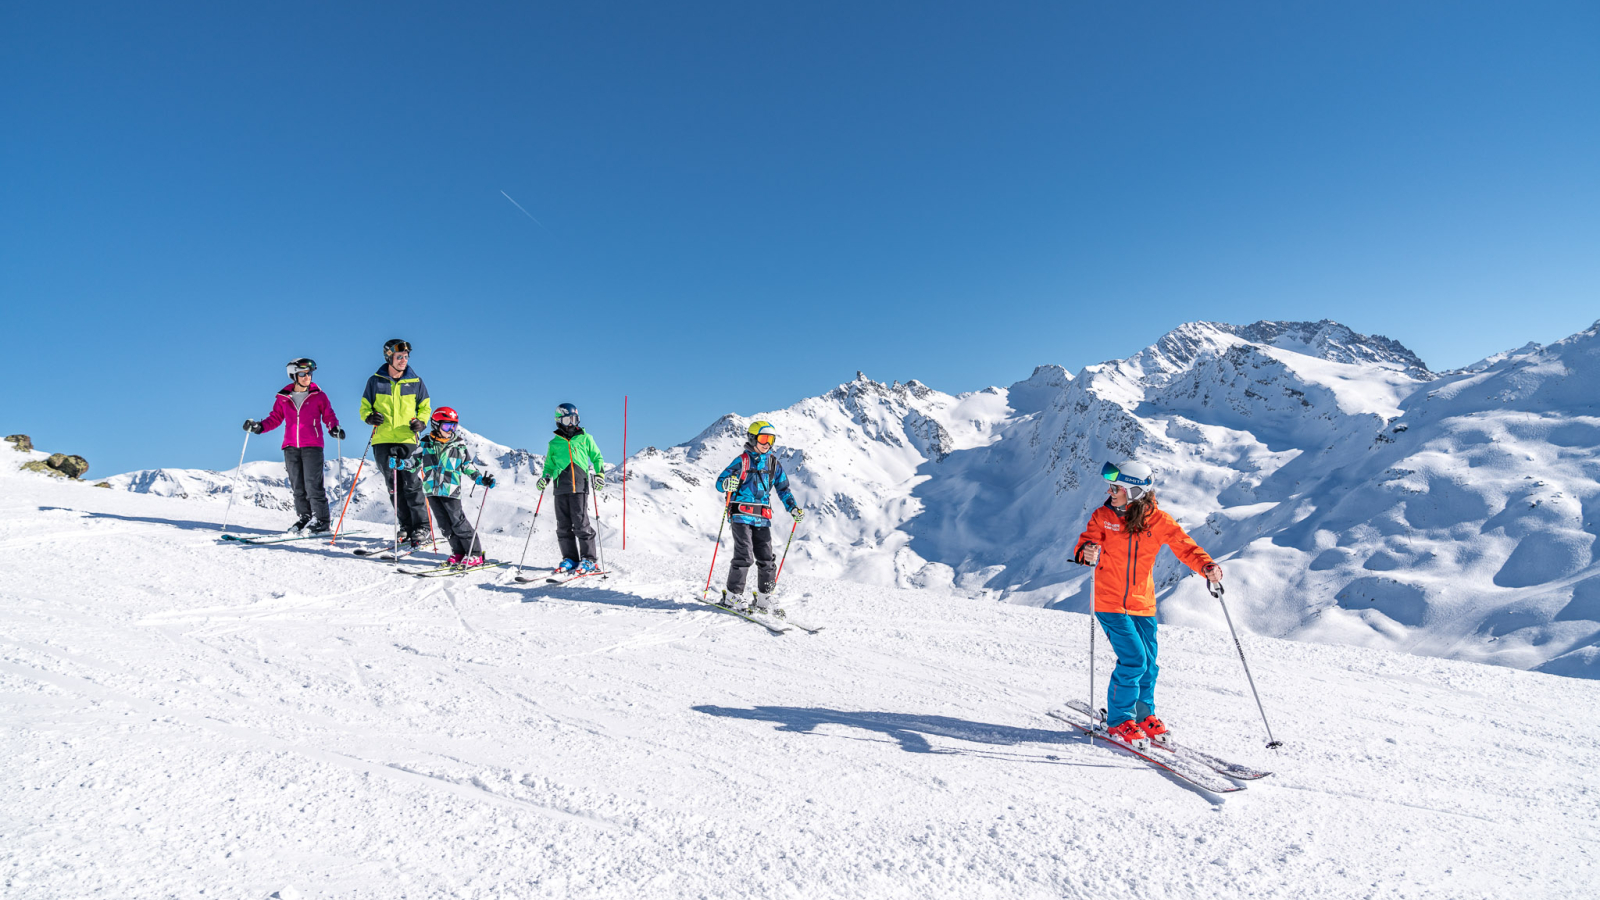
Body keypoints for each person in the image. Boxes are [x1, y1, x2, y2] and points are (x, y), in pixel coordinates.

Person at [1073, 459, 1222, 750]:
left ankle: (1142, 716)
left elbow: (1185, 546)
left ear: (1134, 492)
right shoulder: (1103, 516)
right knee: (1134, 660)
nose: (1110, 491)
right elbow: (1084, 546)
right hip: (1109, 601)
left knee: (1149, 664)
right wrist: (1086, 552)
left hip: (1143, 603)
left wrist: (1207, 566)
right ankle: (1119, 719)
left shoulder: (1159, 521)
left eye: (1116, 487)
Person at [244, 358, 345, 533]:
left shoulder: (319, 395)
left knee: (313, 484)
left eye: (309, 374)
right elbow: (275, 418)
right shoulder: (283, 398)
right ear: (294, 375)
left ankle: (321, 520)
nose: (307, 377)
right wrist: (259, 427)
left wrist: (333, 428)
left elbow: (328, 415)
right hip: (290, 446)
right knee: (298, 486)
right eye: (302, 374)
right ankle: (305, 518)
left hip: (312, 445)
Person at [714, 421, 804, 612]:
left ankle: (764, 598)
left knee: (767, 558)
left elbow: (783, 489)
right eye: (763, 439)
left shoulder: (773, 464)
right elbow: (721, 481)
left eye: (771, 440)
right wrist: (728, 483)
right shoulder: (743, 461)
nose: (767, 444)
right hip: (740, 514)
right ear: (753, 438)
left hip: (762, 516)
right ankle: (733, 596)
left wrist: (793, 508)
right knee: (744, 555)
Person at [392, 407, 495, 566]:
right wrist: (401, 463)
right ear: (436, 424)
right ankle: (459, 553)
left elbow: (467, 465)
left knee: (458, 523)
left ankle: (474, 554)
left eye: (454, 426)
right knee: (444, 526)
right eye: (447, 426)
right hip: (431, 490)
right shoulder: (425, 443)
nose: (451, 430)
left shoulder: (458, 445)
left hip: (450, 489)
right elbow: (413, 463)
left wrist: (480, 479)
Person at [359, 339, 432, 548]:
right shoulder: (375, 381)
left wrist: (421, 422)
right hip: (382, 440)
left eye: (406, 357)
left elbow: (425, 407)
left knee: (411, 483)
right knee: (394, 487)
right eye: (399, 357)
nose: (403, 360)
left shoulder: (416, 382)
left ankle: (422, 527)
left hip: (407, 439)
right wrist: (369, 417)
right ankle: (406, 526)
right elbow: (365, 406)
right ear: (389, 357)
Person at [534, 403, 606, 575]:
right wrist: (545, 478)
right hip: (560, 488)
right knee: (563, 526)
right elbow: (549, 466)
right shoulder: (554, 443)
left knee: (581, 524)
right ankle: (570, 558)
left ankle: (589, 559)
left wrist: (600, 475)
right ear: (559, 421)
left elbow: (597, 457)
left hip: (579, 487)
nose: (572, 423)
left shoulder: (585, 438)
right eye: (568, 419)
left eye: (574, 419)